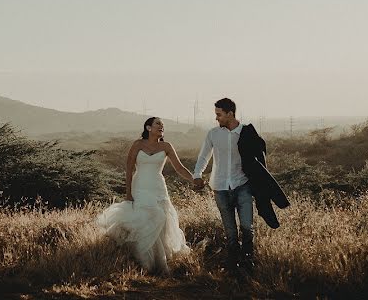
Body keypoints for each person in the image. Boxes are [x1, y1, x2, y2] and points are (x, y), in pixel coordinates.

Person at [97, 117, 194, 274]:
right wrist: (128, 193)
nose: (161, 126)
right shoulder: (138, 144)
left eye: (163, 125)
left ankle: (160, 263)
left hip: (158, 188)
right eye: (158, 123)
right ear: (148, 128)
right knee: (149, 218)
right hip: (140, 186)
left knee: (162, 221)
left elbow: (179, 168)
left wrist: (194, 179)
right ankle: (144, 263)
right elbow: (129, 169)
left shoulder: (166, 146)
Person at [192, 97, 257, 270]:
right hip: (220, 187)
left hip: (242, 185)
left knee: (246, 226)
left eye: (219, 114)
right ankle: (233, 263)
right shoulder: (213, 134)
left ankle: (248, 260)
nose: (216, 118)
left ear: (230, 113)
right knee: (230, 231)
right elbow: (204, 156)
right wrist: (197, 174)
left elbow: (259, 158)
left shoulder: (246, 132)